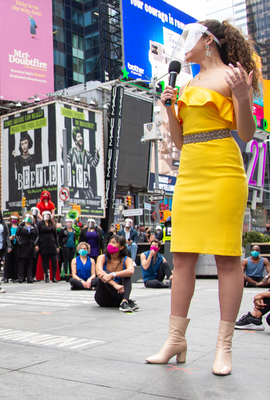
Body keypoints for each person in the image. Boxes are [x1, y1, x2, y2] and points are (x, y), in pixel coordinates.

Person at [146, 20, 261, 376]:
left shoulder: (235, 75)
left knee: (227, 258)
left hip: (224, 171)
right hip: (190, 174)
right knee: (182, 257)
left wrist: (243, 96)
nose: (183, 45)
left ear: (208, 41)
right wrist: (168, 107)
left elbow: (246, 132)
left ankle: (223, 347)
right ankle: (175, 340)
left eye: (188, 38)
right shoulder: (188, 81)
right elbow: (180, 143)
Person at [94, 235, 137, 312]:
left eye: (113, 243)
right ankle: (127, 301)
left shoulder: (127, 259)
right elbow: (99, 272)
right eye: (109, 242)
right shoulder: (102, 257)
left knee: (126, 275)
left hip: (118, 296)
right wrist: (115, 285)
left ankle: (124, 301)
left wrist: (113, 274)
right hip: (104, 298)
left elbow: (131, 271)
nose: (110, 244)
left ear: (121, 247)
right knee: (103, 275)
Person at [37, 211, 59, 283]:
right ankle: (46, 275)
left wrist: (57, 246)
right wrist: (37, 244)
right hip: (43, 244)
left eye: (48, 215)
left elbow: (55, 235)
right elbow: (37, 235)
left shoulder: (52, 223)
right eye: (45, 215)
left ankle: (54, 277)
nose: (47, 216)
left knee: (54, 261)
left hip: (52, 244)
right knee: (45, 261)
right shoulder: (40, 224)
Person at [16, 214, 38, 283]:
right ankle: (21, 277)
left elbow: (37, 236)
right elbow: (17, 235)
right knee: (22, 262)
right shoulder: (21, 226)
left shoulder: (34, 227)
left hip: (31, 245)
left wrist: (35, 242)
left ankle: (29, 277)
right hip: (22, 245)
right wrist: (19, 242)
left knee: (30, 262)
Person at [4, 212, 20, 283]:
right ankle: (6, 276)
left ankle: (15, 277)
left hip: (16, 245)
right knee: (7, 261)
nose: (14, 220)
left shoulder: (19, 226)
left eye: (15, 219)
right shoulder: (8, 226)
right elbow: (6, 235)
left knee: (16, 261)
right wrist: (9, 238)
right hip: (9, 245)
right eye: (13, 219)